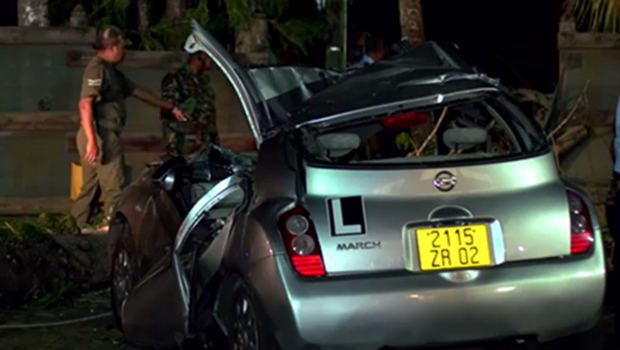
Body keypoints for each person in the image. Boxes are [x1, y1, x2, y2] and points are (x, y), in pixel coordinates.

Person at [71, 25, 186, 233]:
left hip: (103, 134)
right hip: (101, 134)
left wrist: (169, 107)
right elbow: (85, 104)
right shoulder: (96, 69)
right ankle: (113, 230)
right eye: (122, 47)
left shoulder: (111, 72)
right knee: (115, 184)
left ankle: (78, 226)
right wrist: (92, 140)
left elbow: (138, 91)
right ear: (113, 47)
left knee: (90, 187)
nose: (124, 51)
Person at [160, 51, 218, 158]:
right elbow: (168, 110)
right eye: (209, 58)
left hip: (204, 141)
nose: (213, 62)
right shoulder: (176, 78)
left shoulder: (204, 81)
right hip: (184, 143)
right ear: (199, 58)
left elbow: (209, 111)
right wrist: (173, 146)